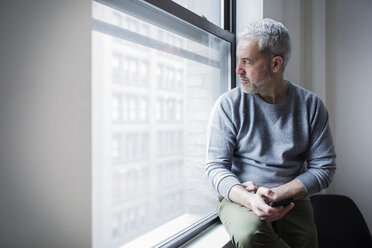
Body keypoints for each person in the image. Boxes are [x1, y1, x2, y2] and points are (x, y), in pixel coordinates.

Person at [205, 18, 336, 248]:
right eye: (238, 60)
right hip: (240, 198)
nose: (238, 69)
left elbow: (324, 168)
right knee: (251, 235)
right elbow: (215, 166)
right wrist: (250, 199)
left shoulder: (311, 106)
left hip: (292, 199)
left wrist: (276, 194)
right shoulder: (228, 105)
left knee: (307, 242)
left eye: (246, 61)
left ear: (276, 64)